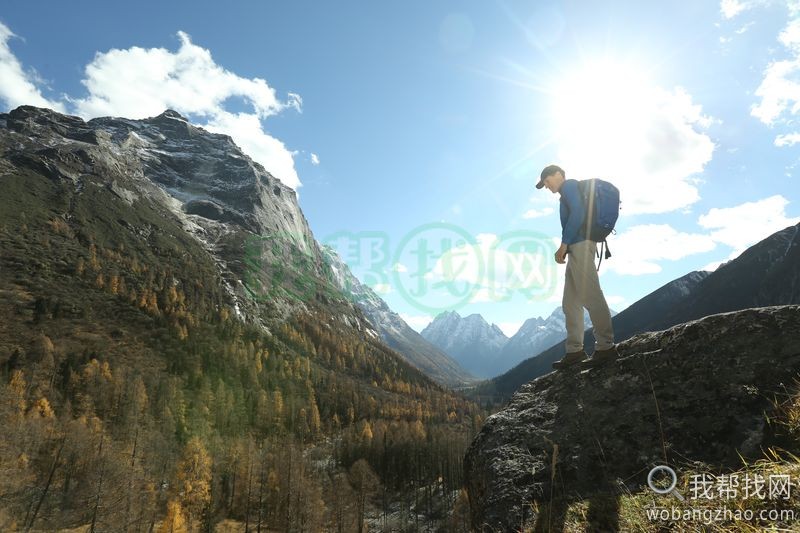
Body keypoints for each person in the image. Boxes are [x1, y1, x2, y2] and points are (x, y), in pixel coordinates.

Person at [535, 164, 618, 369]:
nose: (546, 186)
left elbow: (579, 213)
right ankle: (575, 351)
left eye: (547, 181)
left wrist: (564, 244)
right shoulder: (565, 193)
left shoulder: (570, 186)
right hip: (575, 247)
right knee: (570, 302)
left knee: (591, 295)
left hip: (580, 245)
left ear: (558, 175)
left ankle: (606, 347)